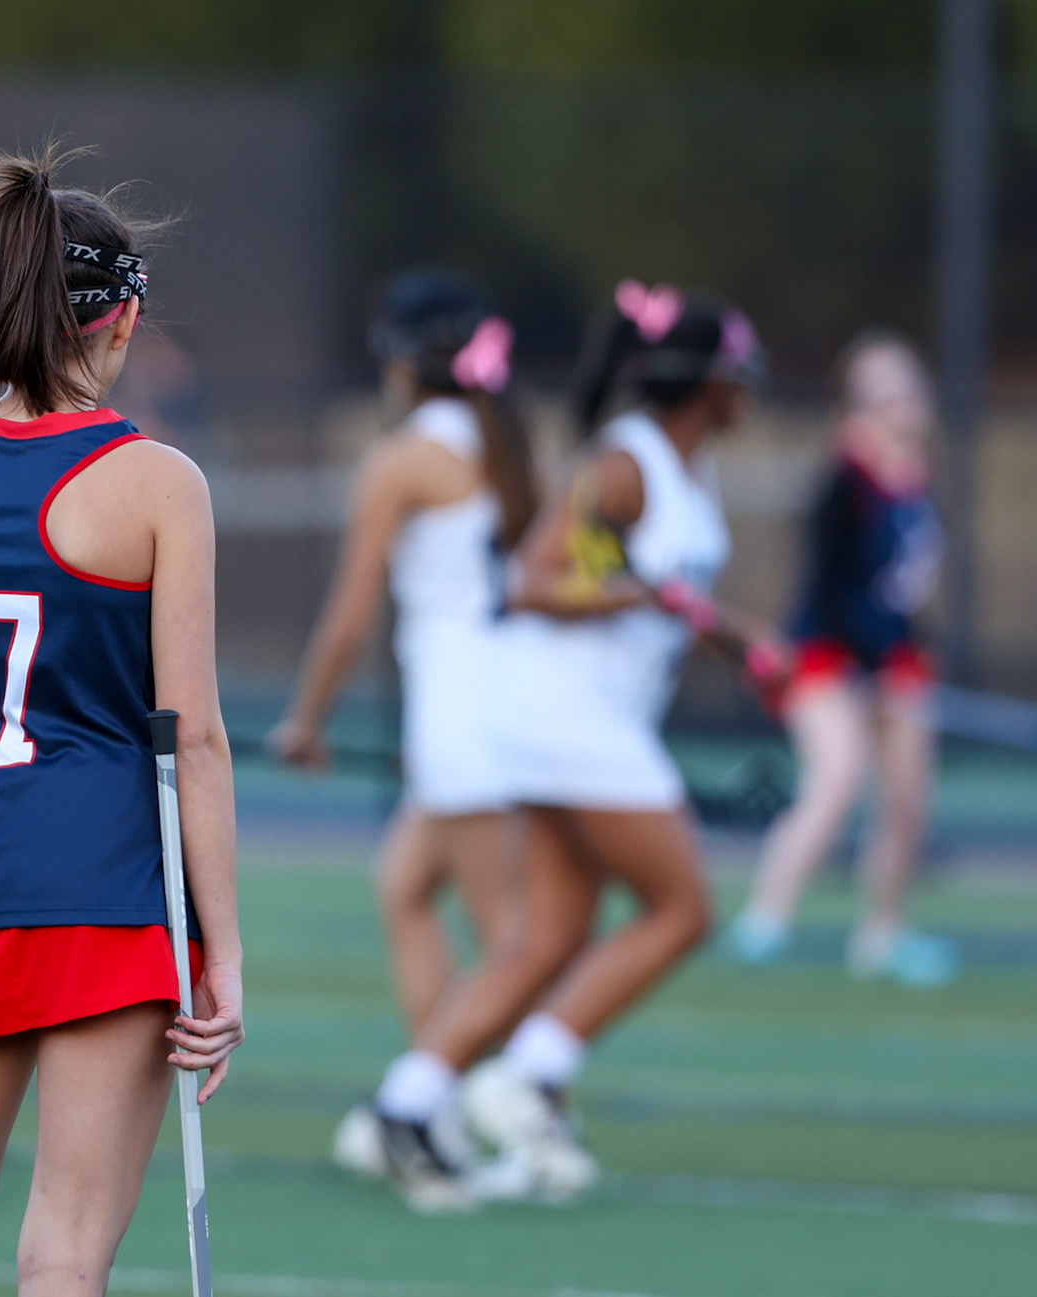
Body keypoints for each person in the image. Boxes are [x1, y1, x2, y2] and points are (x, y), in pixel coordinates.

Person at [0, 146, 243, 1297]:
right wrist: (220, 945)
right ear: (119, 323)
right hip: (109, 898)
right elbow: (196, 736)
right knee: (64, 1252)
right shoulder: (159, 483)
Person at [366, 282, 778, 1208]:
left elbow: (651, 584)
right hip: (567, 715)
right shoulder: (628, 464)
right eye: (739, 375)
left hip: (580, 718)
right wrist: (649, 600)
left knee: (547, 937)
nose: (749, 390)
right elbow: (535, 579)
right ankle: (529, 1077)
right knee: (684, 906)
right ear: (708, 382)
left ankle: (409, 1100)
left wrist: (739, 639)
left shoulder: (682, 466)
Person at [266, 272, 538, 1191]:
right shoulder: (504, 446)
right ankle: (445, 1105)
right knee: (406, 888)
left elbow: (349, 617)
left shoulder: (404, 459)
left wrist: (306, 719)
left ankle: (517, 1110)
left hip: (462, 715)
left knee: (514, 943)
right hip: (492, 706)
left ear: (400, 362)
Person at [726, 333, 953, 985]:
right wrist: (859, 660)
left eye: (909, 389)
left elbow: (901, 586)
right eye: (885, 393)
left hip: (894, 655)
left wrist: (896, 657)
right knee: (838, 775)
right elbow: (825, 581)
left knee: (909, 799)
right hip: (828, 652)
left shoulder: (916, 475)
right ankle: (767, 917)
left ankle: (884, 932)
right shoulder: (844, 476)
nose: (902, 405)